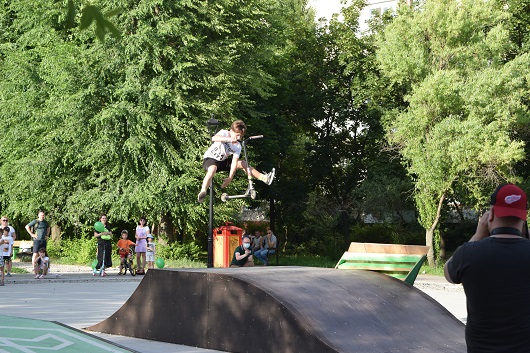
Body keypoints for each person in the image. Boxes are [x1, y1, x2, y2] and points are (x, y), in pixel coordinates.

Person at [444, 184, 530, 352]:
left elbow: (448, 273)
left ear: (490, 215)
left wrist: (477, 235)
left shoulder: (468, 253)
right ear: (524, 218)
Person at [197, 119, 275, 203]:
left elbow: (234, 163)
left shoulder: (237, 146)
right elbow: (214, 138)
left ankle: (264, 178)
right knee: (212, 169)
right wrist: (229, 139)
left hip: (222, 161)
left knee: (243, 163)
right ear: (231, 131)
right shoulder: (224, 133)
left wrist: (230, 178)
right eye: (237, 135)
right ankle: (203, 191)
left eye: (240, 136)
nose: (238, 138)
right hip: (210, 159)